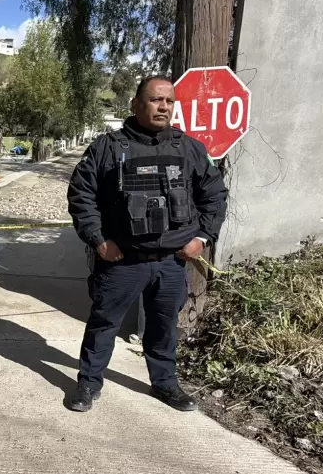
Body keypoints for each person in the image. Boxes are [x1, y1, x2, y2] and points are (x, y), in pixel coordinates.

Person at [65, 74, 228, 412]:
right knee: (103, 325)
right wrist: (98, 241)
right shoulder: (107, 148)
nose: (164, 106)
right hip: (122, 260)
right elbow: (82, 196)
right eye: (156, 99)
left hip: (171, 262)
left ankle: (165, 385)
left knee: (164, 327)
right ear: (136, 104)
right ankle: (88, 385)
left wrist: (201, 238)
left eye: (169, 101)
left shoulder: (190, 148)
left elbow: (214, 195)